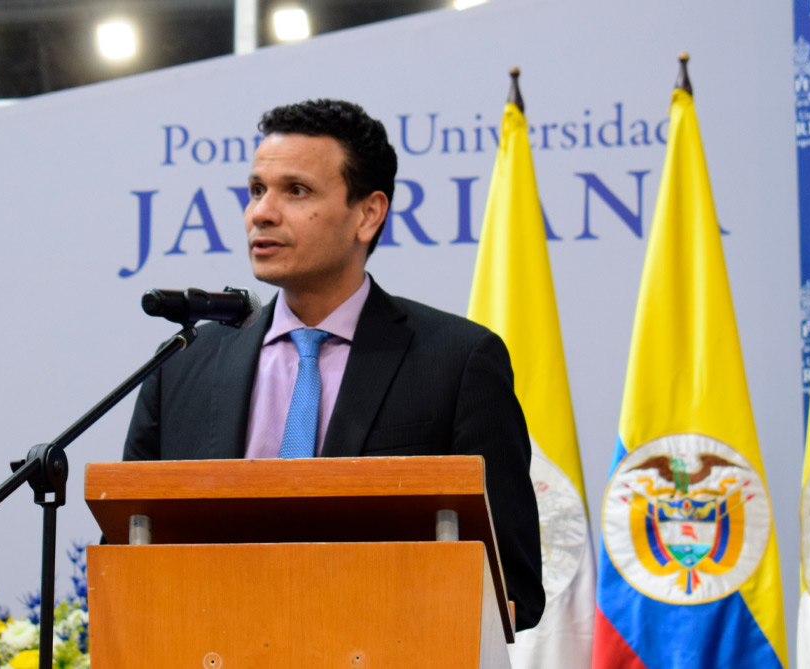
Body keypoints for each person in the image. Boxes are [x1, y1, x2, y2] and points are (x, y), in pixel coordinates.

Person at [123, 98, 545, 630]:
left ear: (368, 214)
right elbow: (126, 561)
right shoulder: (184, 365)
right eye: (256, 191)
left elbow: (513, 584)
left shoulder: (457, 361)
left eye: (295, 191)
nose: (261, 212)